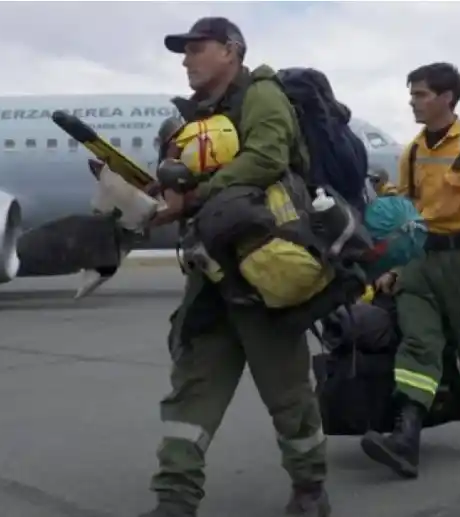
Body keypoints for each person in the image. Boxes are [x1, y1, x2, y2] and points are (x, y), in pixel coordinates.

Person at [137, 17, 330, 517]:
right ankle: (174, 500)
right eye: (184, 52)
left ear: (230, 50)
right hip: (211, 276)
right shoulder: (197, 117)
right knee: (191, 392)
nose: (186, 60)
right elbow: (192, 180)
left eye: (196, 48)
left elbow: (266, 158)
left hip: (264, 271)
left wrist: (195, 195)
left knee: (288, 396)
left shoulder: (261, 95)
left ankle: (310, 489)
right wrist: (162, 194)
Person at [361, 62, 460, 479]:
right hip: (421, 260)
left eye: (421, 94)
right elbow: (405, 213)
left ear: (447, 97)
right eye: (412, 94)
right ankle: (405, 438)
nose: (413, 102)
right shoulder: (413, 151)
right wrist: (394, 265)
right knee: (417, 342)